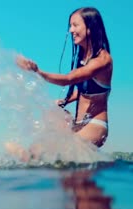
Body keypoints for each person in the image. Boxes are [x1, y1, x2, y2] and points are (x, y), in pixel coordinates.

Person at [16, 7, 112, 148]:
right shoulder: (83, 57)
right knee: (49, 125)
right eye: (70, 26)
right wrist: (65, 101)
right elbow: (85, 90)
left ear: (90, 28)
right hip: (78, 123)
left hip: (94, 125)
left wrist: (38, 72)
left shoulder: (103, 60)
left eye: (75, 25)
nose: (71, 30)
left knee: (60, 152)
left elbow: (69, 79)